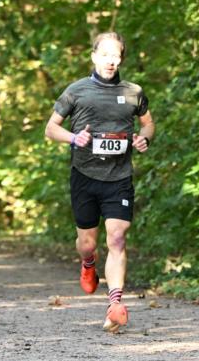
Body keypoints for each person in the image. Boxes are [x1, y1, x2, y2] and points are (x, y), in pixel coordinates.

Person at [45, 31, 154, 332]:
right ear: (93, 56)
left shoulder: (133, 91)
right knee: (87, 243)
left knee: (117, 237)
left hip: (118, 178)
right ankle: (88, 263)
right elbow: (51, 128)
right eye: (105, 54)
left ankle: (115, 303)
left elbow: (148, 124)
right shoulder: (76, 91)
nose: (111, 60)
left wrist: (143, 139)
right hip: (85, 176)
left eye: (116, 55)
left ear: (121, 58)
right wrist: (74, 137)